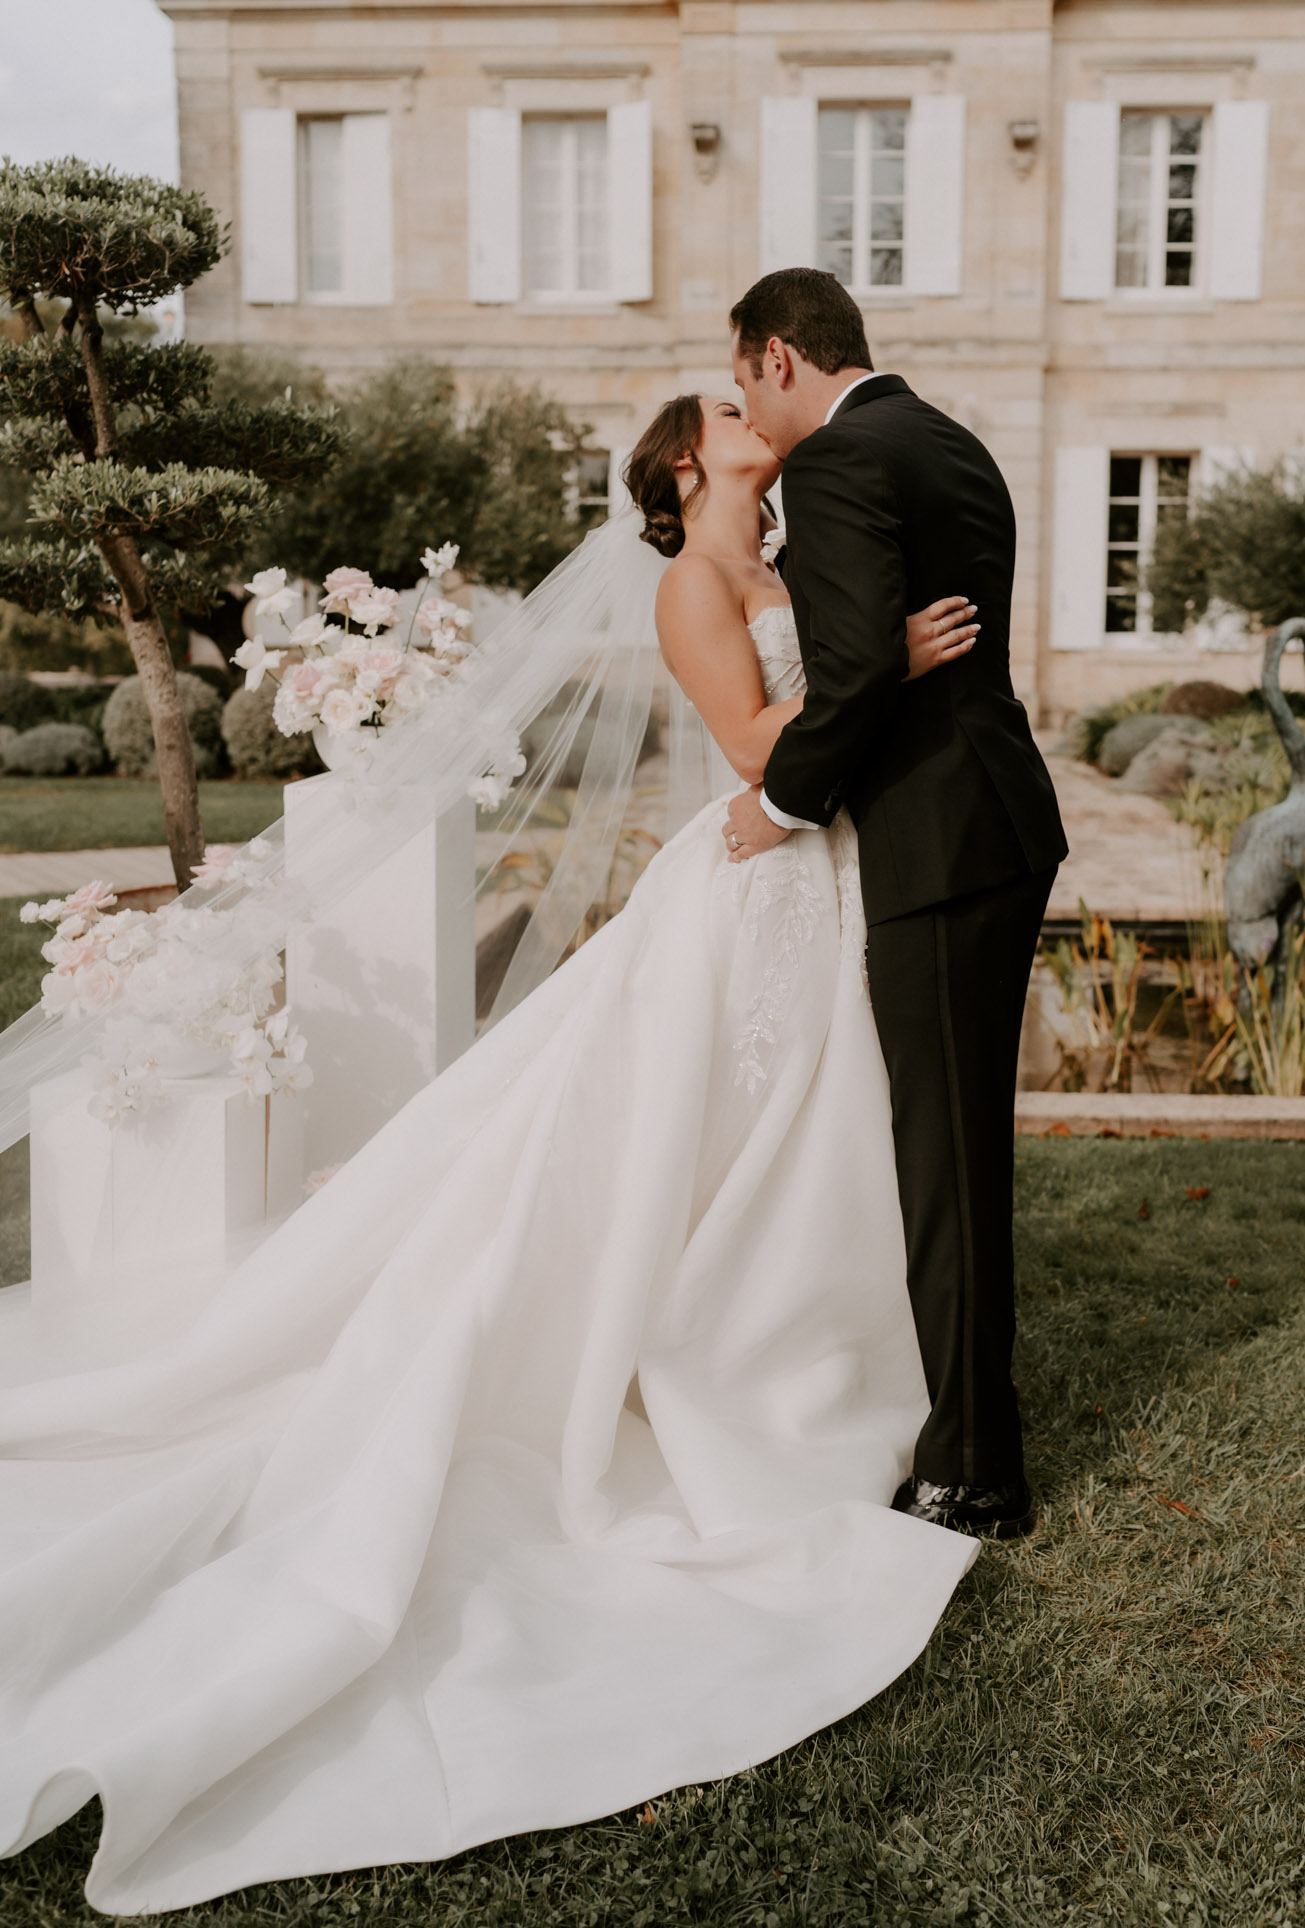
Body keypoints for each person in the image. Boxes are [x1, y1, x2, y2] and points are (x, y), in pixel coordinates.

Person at [0, 394, 982, 1917]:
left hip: (816, 887)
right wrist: (892, 668)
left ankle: (799, 1347)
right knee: (673, 1146)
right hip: (742, 890)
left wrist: (880, 672)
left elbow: (832, 729)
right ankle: (693, 1358)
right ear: (677, 466)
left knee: (793, 1147)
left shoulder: (797, 572)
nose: (746, 413)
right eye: (724, 410)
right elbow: (752, 743)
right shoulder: (692, 585)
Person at [723, 269, 1068, 1541]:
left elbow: (859, 665)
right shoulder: (952, 441)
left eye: (750, 384)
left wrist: (782, 804)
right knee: (954, 1137)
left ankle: (975, 1464)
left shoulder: (836, 459)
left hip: (938, 835)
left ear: (777, 356)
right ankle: (961, 1419)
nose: (754, 414)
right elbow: (901, 650)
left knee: (950, 1151)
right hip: (991, 815)